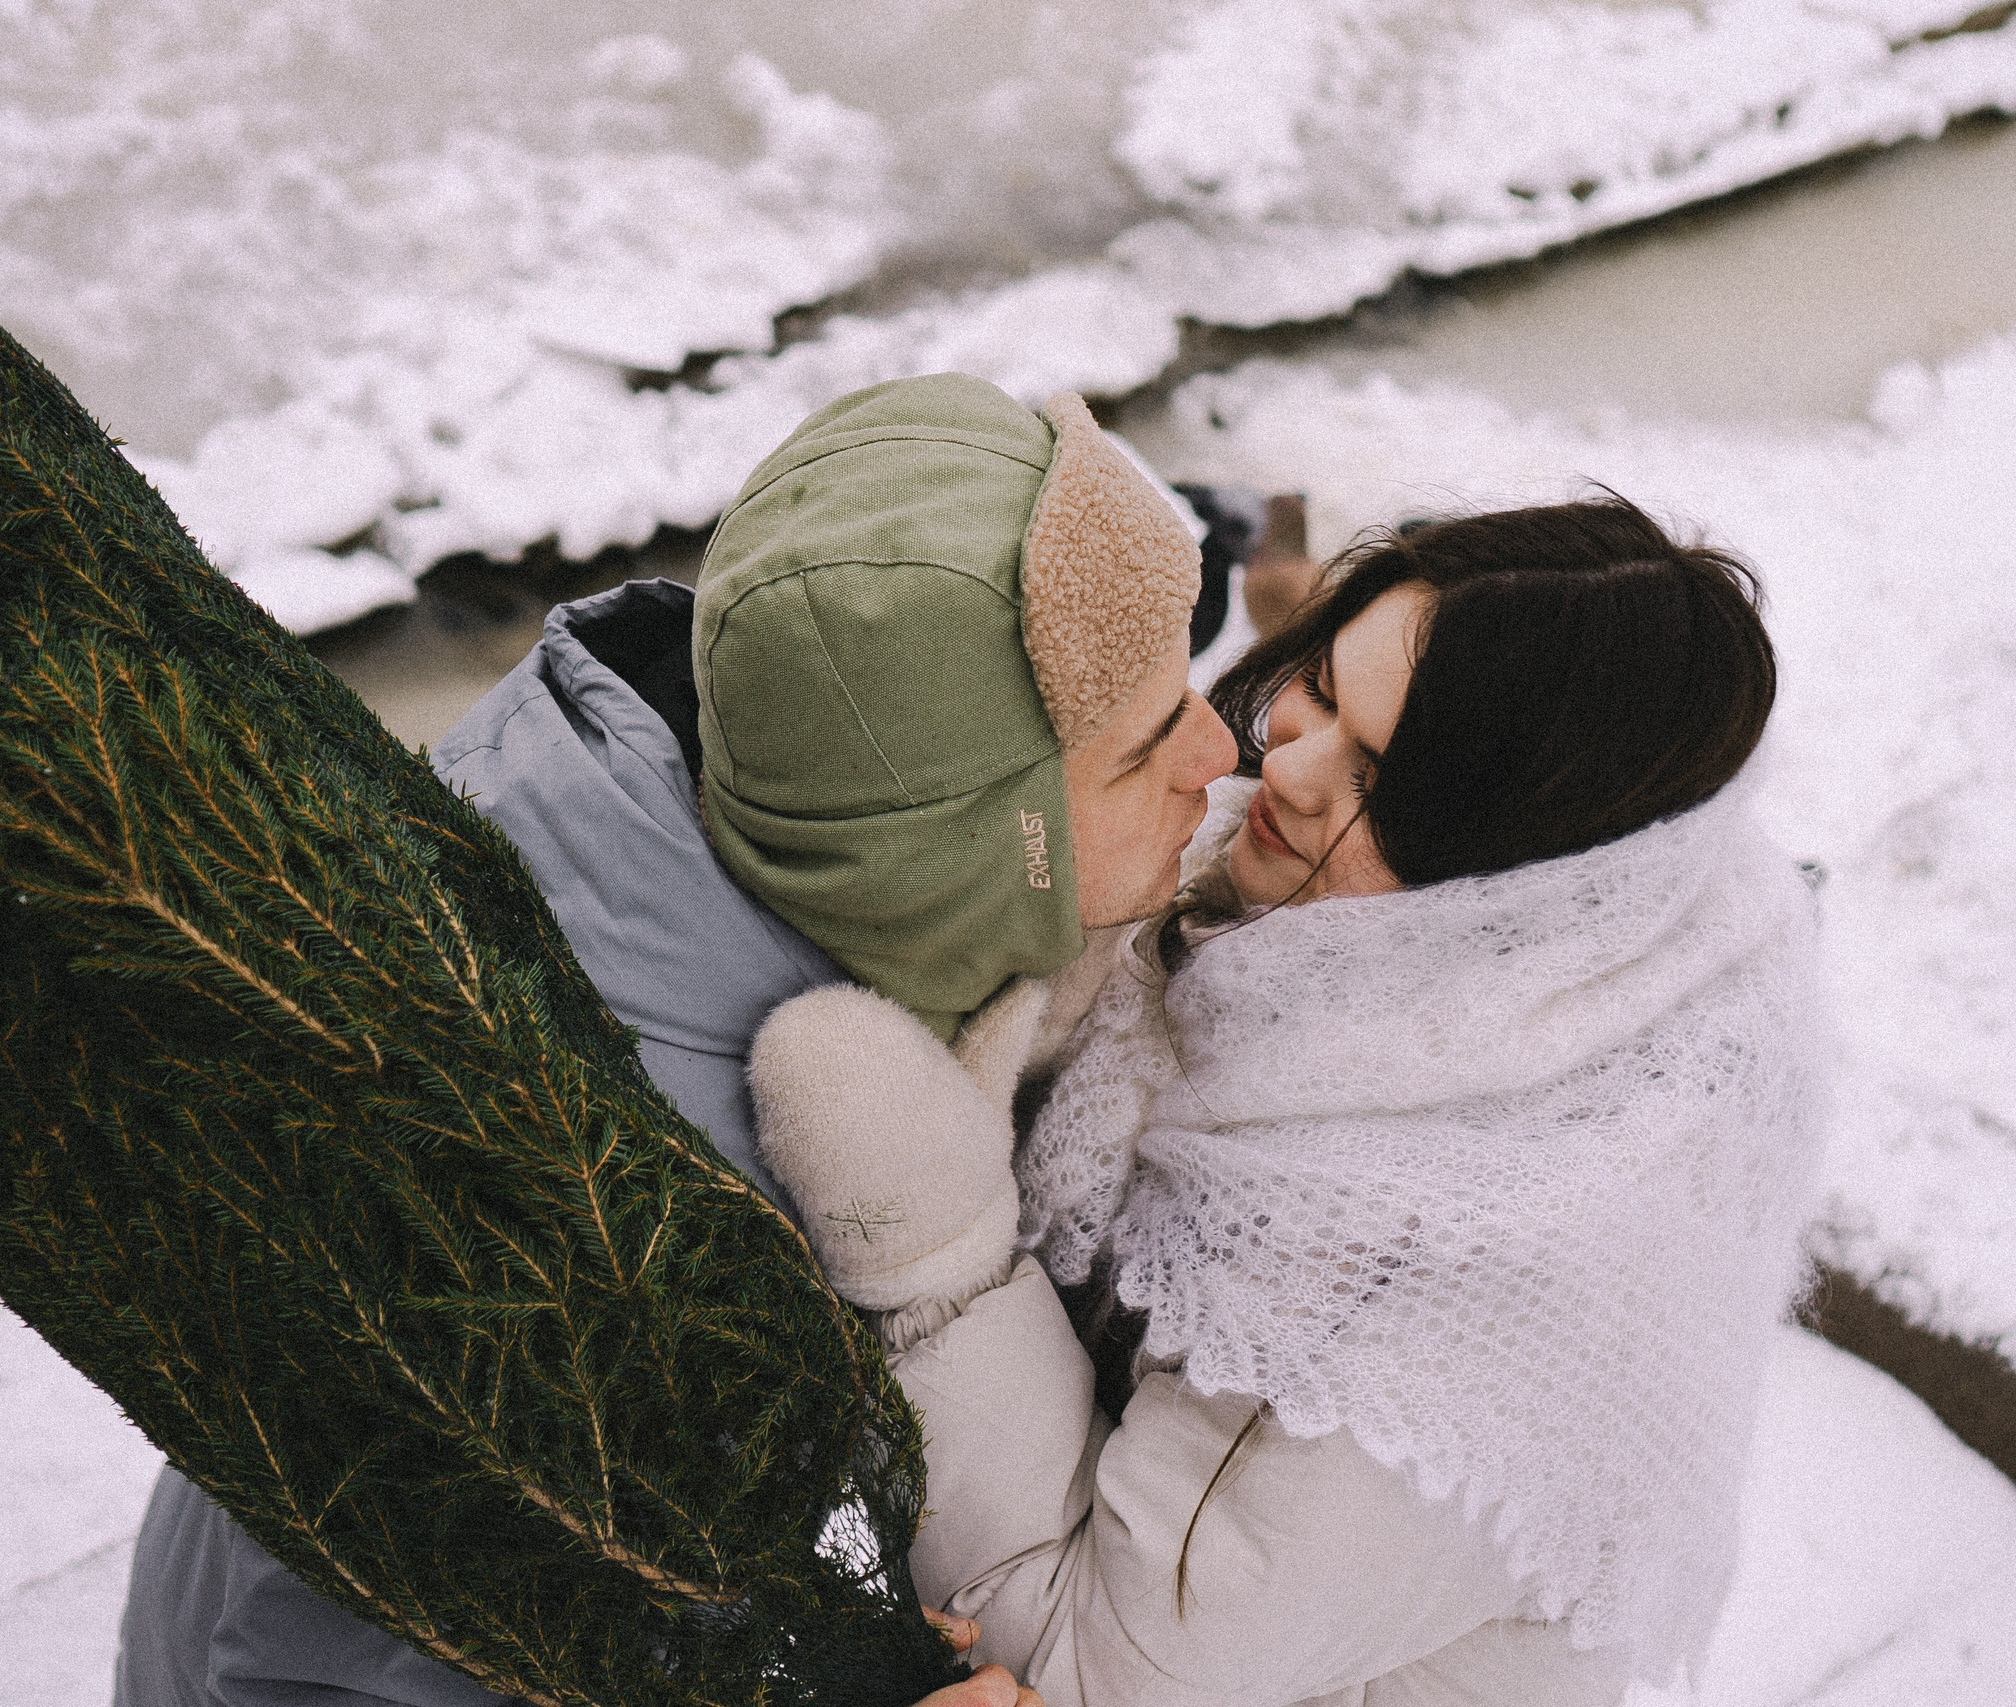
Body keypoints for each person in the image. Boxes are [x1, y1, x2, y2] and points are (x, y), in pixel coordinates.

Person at [112, 372, 1237, 1707]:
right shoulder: (590, 1215)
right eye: (1142, 748)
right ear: (957, 855)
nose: (1219, 751)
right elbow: (321, 1672)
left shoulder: (724, 832)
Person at [749, 498, 1831, 1705]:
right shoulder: (1442, 936)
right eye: (1318, 686)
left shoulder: (1432, 1281)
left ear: (1520, 876)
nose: (1280, 765)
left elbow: (1094, 1671)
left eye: (1380, 778)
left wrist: (934, 1247)